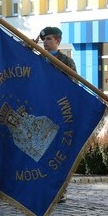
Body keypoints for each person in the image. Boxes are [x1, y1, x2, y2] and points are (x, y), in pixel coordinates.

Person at [38, 26, 77, 203]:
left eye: (49, 39)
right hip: (41, 110)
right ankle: (42, 186)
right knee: (41, 150)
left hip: (59, 111)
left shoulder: (66, 61)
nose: (45, 43)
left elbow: (73, 85)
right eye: (44, 40)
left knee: (58, 153)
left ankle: (59, 190)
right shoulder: (38, 59)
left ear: (58, 41)